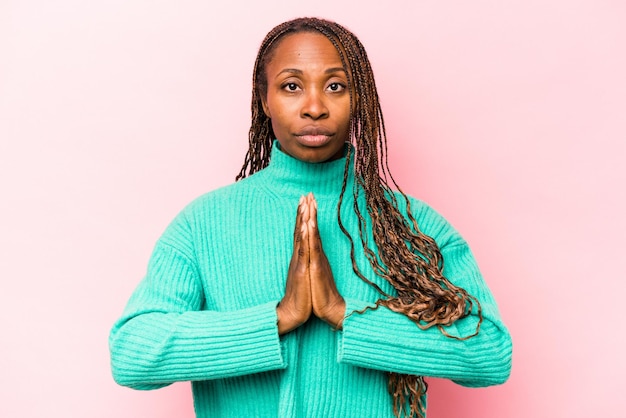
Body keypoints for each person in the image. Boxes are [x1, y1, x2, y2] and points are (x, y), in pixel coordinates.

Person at [109, 17, 512, 418]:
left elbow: (491, 353)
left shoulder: (414, 227)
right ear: (265, 99)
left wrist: (343, 314)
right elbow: (132, 354)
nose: (315, 107)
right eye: (291, 86)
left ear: (360, 99)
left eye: (335, 86)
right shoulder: (203, 223)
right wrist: (279, 318)